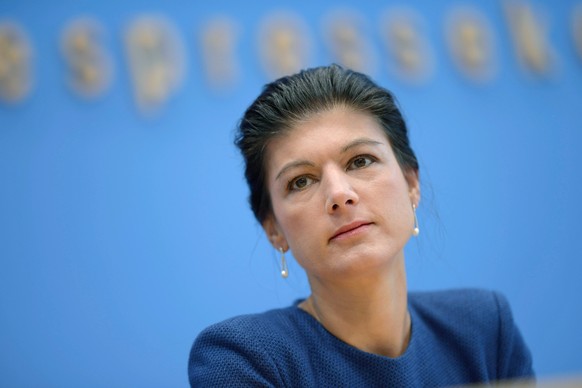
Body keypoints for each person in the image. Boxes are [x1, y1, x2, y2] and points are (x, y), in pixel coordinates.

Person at [188, 64, 534, 387]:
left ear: (412, 183)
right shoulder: (244, 358)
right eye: (301, 181)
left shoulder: (483, 327)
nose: (339, 194)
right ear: (273, 228)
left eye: (360, 160)